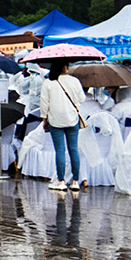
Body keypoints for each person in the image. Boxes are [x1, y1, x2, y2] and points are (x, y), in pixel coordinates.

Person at [41, 60, 87, 195]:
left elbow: (44, 103)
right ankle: (75, 181)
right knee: (74, 149)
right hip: (72, 119)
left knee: (60, 150)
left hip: (55, 120)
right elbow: (82, 98)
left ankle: (61, 181)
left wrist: (44, 119)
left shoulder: (48, 82)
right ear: (65, 67)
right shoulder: (74, 81)